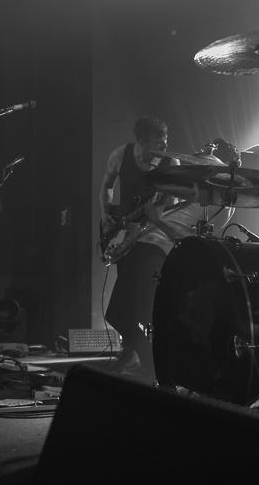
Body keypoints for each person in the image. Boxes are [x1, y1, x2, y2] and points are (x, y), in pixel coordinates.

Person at [99, 116, 188, 378]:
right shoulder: (121, 154)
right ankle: (131, 352)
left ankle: (146, 356)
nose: (165, 146)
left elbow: (170, 206)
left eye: (166, 140)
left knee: (141, 300)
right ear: (142, 142)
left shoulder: (171, 164)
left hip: (151, 237)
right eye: (159, 142)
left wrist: (156, 213)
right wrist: (106, 214)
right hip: (123, 233)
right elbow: (106, 185)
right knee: (124, 296)